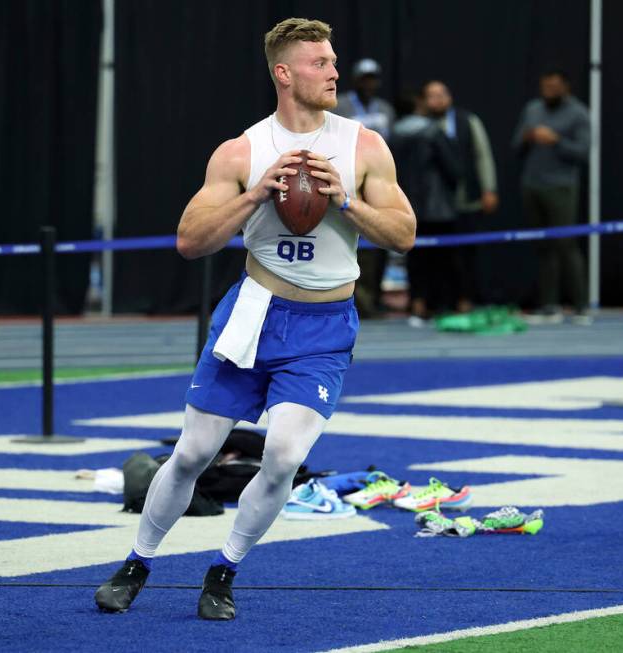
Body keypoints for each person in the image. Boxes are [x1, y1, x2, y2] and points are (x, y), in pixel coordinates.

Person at [93, 18, 415, 620]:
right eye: (321, 63)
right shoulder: (241, 150)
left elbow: (403, 236)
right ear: (284, 73)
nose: (335, 72)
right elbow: (190, 241)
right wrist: (254, 195)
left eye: (333, 60)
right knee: (192, 454)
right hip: (254, 315)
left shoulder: (364, 145)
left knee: (286, 456)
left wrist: (346, 201)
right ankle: (137, 562)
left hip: (323, 326)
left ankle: (224, 570)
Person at [512, 69, 591, 323]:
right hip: (532, 184)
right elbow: (516, 146)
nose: (549, 91)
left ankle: (581, 305)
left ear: (565, 87)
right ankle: (549, 305)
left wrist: (556, 140)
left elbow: (583, 152)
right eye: (545, 87)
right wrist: (527, 137)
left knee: (566, 245)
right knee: (542, 246)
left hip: (561, 186)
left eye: (554, 87)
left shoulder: (578, 113)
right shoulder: (533, 109)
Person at [421, 80, 498, 311]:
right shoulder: (421, 126)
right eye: (431, 96)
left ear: (450, 97)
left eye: (441, 94)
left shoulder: (468, 121)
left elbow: (482, 155)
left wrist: (489, 188)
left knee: (466, 255)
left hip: (467, 200)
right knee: (436, 257)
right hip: (433, 205)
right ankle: (437, 302)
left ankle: (466, 298)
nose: (437, 99)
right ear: (424, 101)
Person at [387, 91, 462, 325]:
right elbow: (453, 170)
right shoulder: (432, 131)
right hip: (437, 206)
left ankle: (418, 302)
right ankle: (442, 304)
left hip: (406, 203)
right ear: (418, 105)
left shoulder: (393, 134)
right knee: (442, 257)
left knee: (415, 257)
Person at [333, 58, 396, 317]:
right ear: (356, 80)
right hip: (350, 180)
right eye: (365, 78)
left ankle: (375, 297)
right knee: (352, 242)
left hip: (378, 181)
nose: (369, 84)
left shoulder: (385, 109)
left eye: (373, 79)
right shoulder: (341, 106)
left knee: (380, 241)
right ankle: (358, 300)